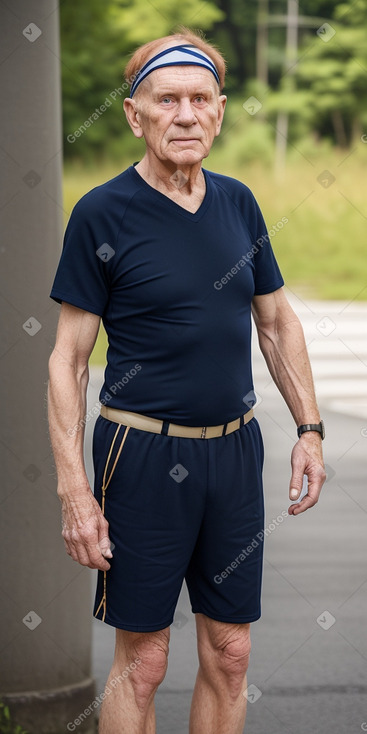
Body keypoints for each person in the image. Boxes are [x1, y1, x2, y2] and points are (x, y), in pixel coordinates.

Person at [48, 25, 326, 734]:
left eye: (200, 98)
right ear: (133, 114)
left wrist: (309, 430)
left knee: (231, 653)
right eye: (166, 99)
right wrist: (74, 491)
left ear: (221, 110)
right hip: (140, 455)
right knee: (143, 663)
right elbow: (68, 360)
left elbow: (276, 324)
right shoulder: (101, 213)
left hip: (232, 454)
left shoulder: (237, 203)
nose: (185, 114)